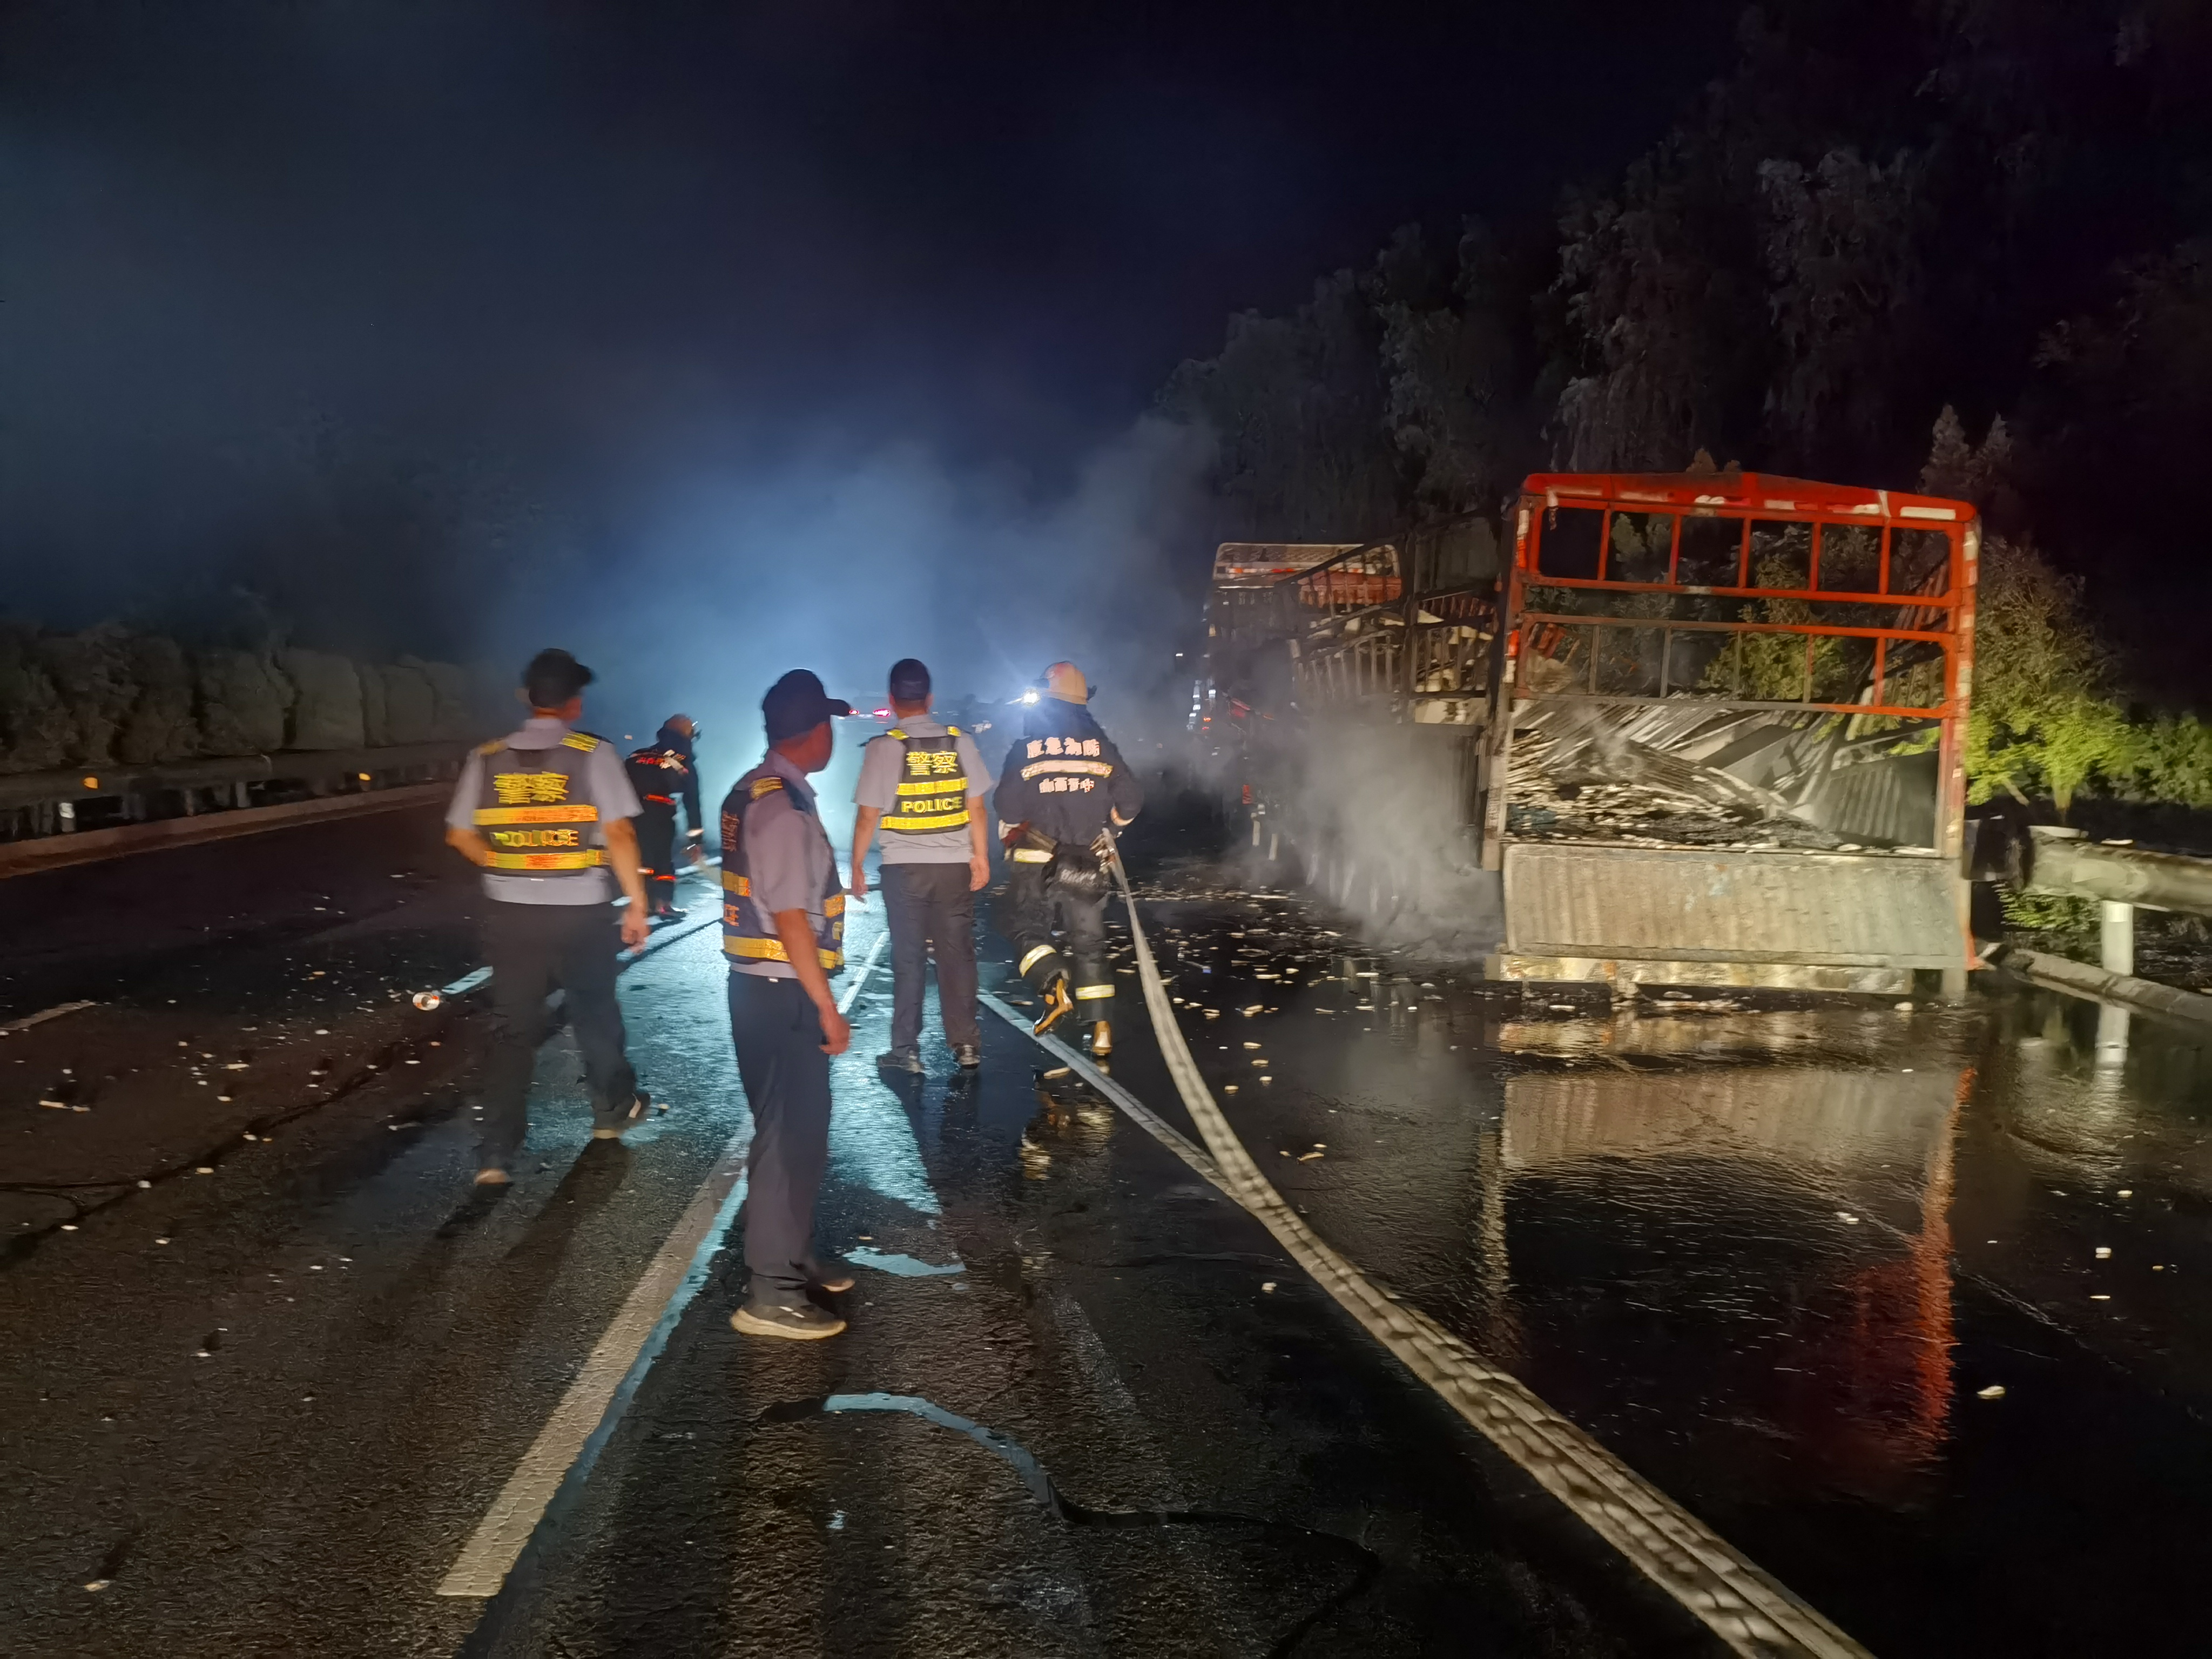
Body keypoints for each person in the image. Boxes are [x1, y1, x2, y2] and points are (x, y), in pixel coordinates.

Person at [444, 649, 652, 1185]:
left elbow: (459, 834)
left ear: (526, 698)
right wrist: (636, 902)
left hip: (511, 914)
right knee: (593, 1012)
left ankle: (495, 1152)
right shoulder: (592, 754)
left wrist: (507, 865)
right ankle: (611, 1113)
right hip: (580, 911)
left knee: (512, 1029)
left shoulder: (486, 757)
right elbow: (621, 833)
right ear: (575, 704)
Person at [721, 669, 860, 1340]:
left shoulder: (757, 790)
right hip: (782, 993)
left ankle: (795, 1257)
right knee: (786, 1138)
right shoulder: (781, 809)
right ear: (816, 733)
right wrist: (827, 1008)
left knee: (799, 1135)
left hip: (763, 990)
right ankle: (771, 1293)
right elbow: (792, 920)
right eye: (829, 724)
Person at [994, 661, 1143, 1055]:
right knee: (1090, 944)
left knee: (1028, 930)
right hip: (1087, 859)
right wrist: (1114, 826)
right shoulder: (1100, 747)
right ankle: (1102, 1033)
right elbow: (1131, 801)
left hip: (1035, 858)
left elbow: (1005, 806)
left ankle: (1054, 985)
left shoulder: (1026, 748)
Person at [850, 658, 990, 1073]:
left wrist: (857, 865)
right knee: (957, 956)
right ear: (929, 699)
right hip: (953, 869)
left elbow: (867, 816)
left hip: (904, 869)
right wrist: (979, 856)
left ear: (892, 701)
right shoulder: (960, 741)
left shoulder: (884, 747)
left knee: (908, 958)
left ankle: (906, 1051)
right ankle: (966, 1046)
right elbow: (978, 807)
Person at [623, 716, 705, 919]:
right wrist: (696, 840)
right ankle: (664, 905)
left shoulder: (637, 755)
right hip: (660, 816)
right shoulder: (682, 759)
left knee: (642, 860)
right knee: (663, 862)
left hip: (632, 814)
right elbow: (692, 801)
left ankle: (643, 902)